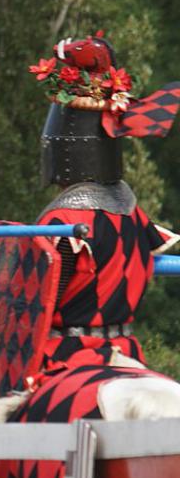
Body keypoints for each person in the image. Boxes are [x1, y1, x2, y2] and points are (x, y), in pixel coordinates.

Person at [29, 34, 180, 370]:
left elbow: (39, 301)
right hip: (126, 356)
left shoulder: (64, 222)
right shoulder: (132, 212)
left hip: (68, 361)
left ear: (62, 149)